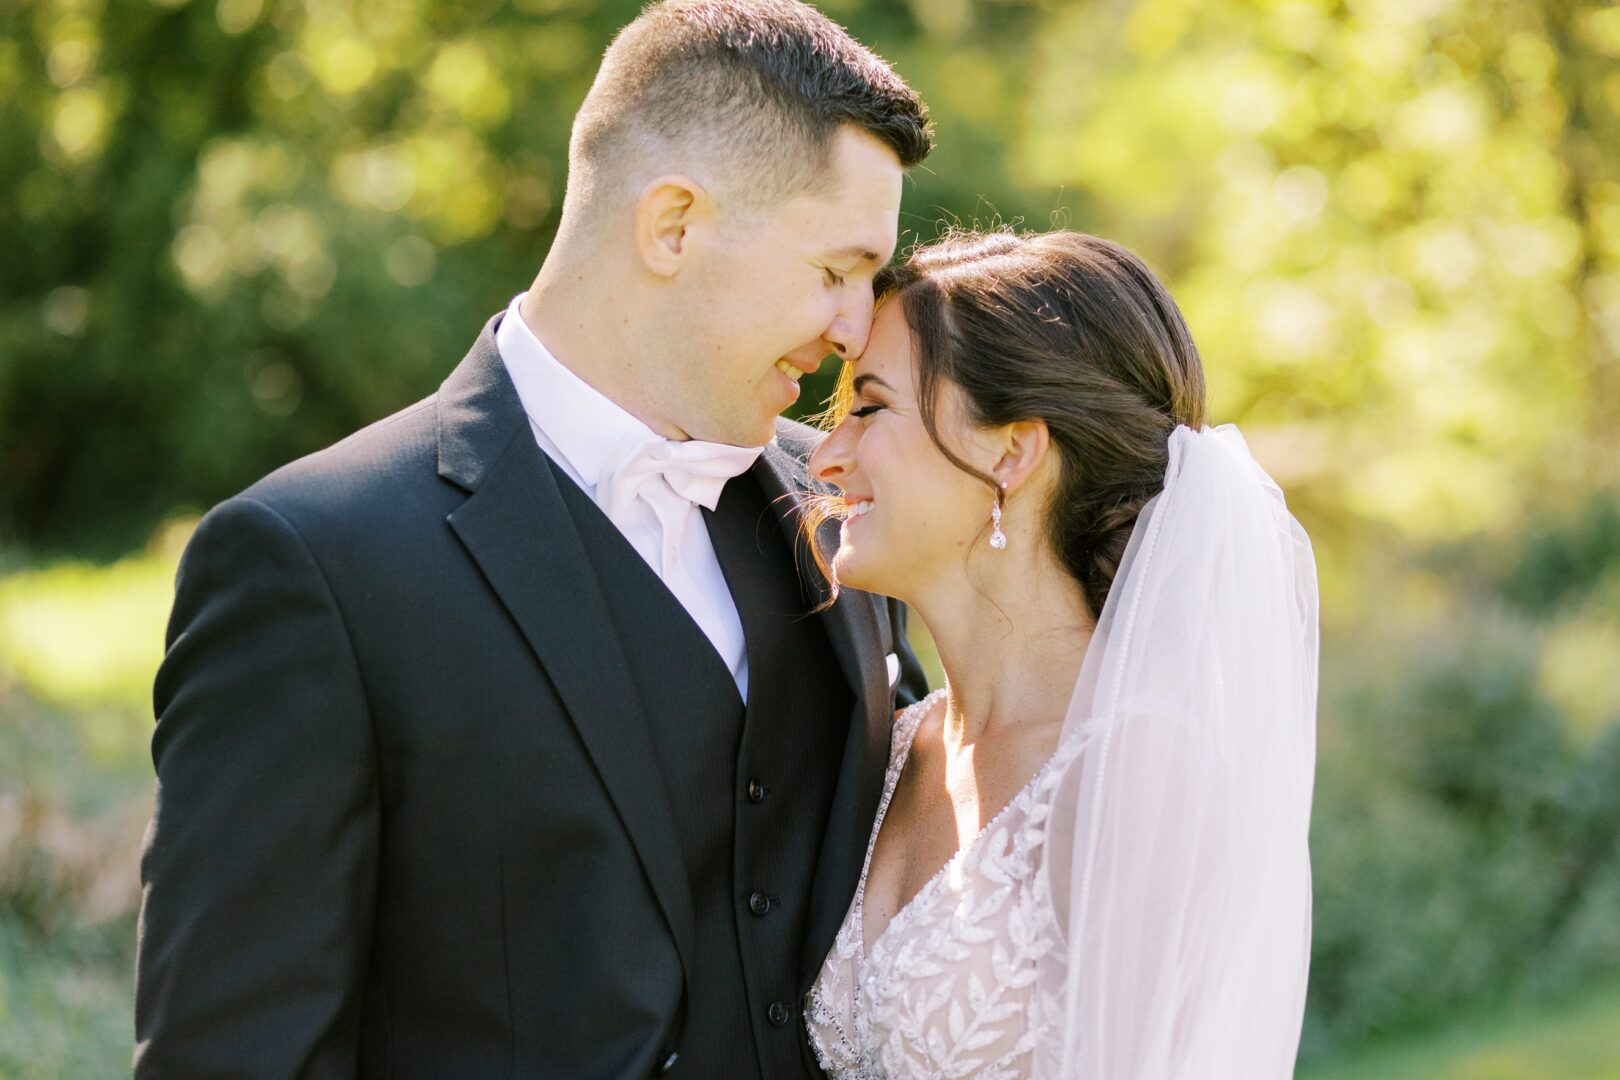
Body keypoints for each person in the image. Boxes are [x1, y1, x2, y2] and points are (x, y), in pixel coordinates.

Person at [134, 2, 932, 1076]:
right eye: (836, 269)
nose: (856, 328)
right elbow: (237, 1051)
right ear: (674, 225)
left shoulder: (844, 498)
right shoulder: (315, 565)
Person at [804, 229, 1319, 1078]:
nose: (824, 455)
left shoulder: (1139, 770)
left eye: (869, 407)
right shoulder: (895, 745)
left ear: (1011, 450)